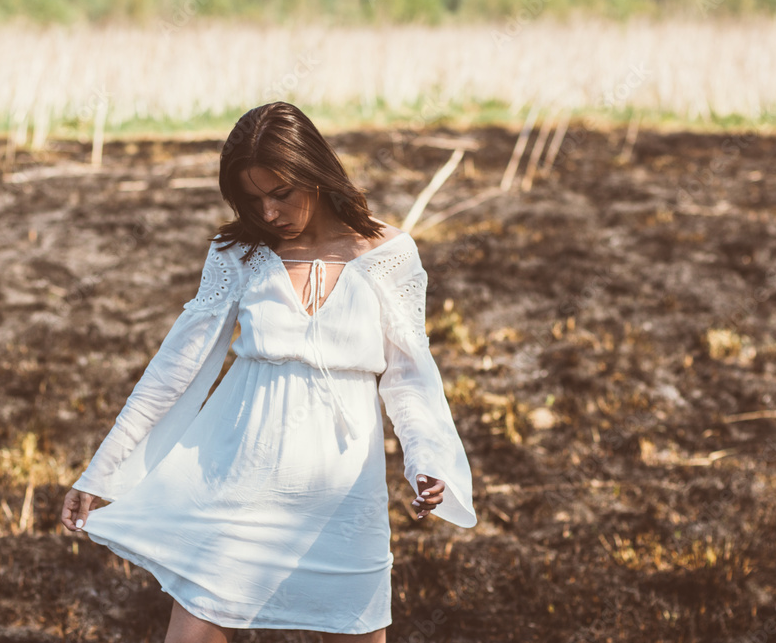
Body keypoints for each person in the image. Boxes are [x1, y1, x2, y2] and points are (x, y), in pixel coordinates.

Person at [60, 101, 477, 642]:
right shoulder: (239, 252)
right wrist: (101, 470)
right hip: (234, 481)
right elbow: (175, 368)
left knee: (356, 629)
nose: (270, 212)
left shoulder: (390, 254)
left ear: (315, 173)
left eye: (281, 193)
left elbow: (410, 376)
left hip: (343, 495)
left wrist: (426, 460)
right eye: (253, 200)